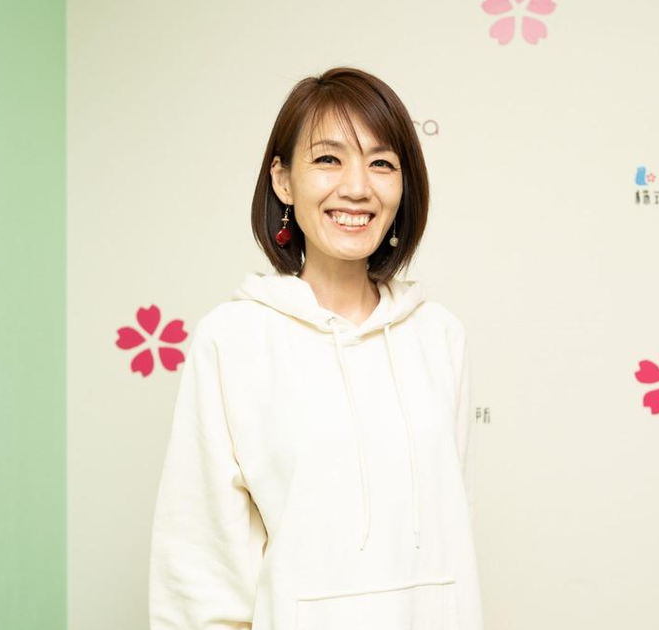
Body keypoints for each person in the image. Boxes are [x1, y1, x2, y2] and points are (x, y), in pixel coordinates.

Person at [148, 67, 483, 630]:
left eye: (382, 163)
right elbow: (200, 572)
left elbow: (456, 533)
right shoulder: (231, 340)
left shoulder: (440, 336)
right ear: (283, 181)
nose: (357, 187)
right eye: (329, 159)